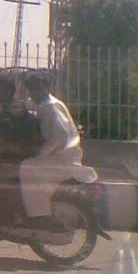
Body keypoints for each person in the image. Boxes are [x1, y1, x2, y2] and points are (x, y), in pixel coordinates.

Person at [19, 72, 98, 230]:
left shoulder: (51, 105)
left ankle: (40, 216)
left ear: (46, 87)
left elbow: (59, 135)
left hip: (61, 158)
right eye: (31, 89)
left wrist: (41, 154)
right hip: (59, 156)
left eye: (37, 88)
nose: (33, 93)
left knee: (26, 168)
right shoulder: (44, 105)